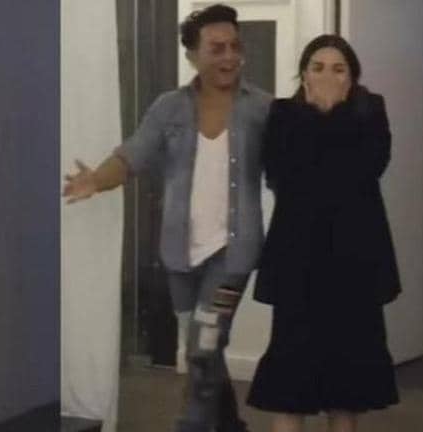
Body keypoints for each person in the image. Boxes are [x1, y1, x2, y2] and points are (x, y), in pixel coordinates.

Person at [63, 5, 271, 431]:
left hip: (233, 256)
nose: (229, 56)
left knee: (202, 346)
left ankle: (190, 425)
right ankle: (230, 425)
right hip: (179, 255)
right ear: (193, 55)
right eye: (217, 48)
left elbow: (293, 161)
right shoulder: (169, 107)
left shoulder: (262, 109)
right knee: (203, 347)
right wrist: (96, 180)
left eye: (235, 46)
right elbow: (133, 154)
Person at [246, 34, 401, 432]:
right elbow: (283, 176)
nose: (328, 76)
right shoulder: (284, 115)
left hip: (355, 260)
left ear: (352, 78)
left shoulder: (371, 112)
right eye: (318, 68)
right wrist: (318, 117)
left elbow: (365, 170)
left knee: (347, 386)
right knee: (290, 378)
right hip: (298, 260)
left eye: (338, 69)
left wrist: (334, 115)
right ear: (303, 76)